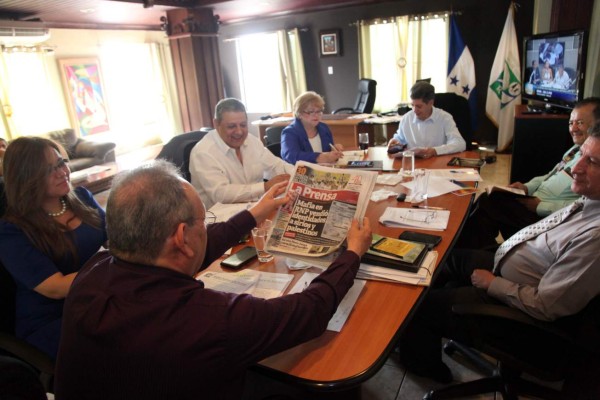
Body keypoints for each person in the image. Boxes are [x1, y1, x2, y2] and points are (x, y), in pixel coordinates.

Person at [54, 160, 373, 400]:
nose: (204, 230)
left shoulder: (92, 272)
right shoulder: (209, 319)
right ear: (182, 237)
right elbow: (309, 311)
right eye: (201, 222)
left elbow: (194, 249)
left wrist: (253, 215)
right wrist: (353, 254)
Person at [397, 122, 600, 384]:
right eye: (580, 154)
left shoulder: (595, 238)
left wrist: (493, 284)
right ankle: (432, 318)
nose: (575, 167)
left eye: (592, 162)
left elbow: (546, 306)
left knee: (418, 307)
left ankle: (427, 367)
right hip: (511, 270)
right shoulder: (590, 200)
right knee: (444, 257)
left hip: (520, 311)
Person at [0, 137, 106, 359]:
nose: (62, 172)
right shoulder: (12, 230)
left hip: (94, 297)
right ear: (26, 178)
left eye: (60, 163)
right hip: (54, 319)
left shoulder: (82, 198)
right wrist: (112, 270)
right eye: (48, 170)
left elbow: (117, 239)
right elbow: (55, 287)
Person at [455, 97, 600, 250]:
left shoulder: (593, 165)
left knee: (489, 203)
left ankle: (471, 254)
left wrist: (540, 206)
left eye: (580, 122)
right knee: (488, 200)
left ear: (597, 125)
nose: (573, 128)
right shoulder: (575, 150)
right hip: (533, 201)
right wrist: (526, 187)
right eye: (571, 123)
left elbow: (582, 207)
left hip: (547, 218)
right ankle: (473, 250)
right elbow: (549, 176)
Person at [189, 98, 295, 209]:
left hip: (255, 210)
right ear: (216, 124)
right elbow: (220, 194)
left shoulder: (251, 141)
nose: (239, 132)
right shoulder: (203, 152)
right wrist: (265, 187)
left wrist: (299, 175)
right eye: (231, 126)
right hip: (220, 219)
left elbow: (275, 165)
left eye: (243, 125)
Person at [387, 81, 466, 158]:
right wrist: (395, 141)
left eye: (419, 106)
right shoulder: (406, 118)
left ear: (431, 103)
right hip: (414, 165)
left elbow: (460, 144)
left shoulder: (445, 118)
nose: (414, 110)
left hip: (437, 164)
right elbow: (400, 138)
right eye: (412, 105)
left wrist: (434, 151)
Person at [280, 91, 344, 164]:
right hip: (302, 173)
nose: (316, 115)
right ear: (299, 113)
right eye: (311, 112)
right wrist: (319, 157)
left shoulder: (324, 128)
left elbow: (328, 151)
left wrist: (334, 149)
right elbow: (290, 156)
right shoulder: (289, 133)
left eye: (318, 111)